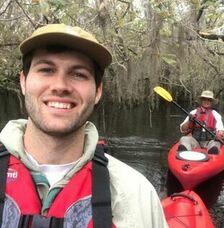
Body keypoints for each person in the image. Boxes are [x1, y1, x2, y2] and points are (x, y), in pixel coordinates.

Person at [0, 24, 168, 228]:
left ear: (97, 91)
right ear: (23, 81)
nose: (60, 86)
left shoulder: (137, 194)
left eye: (78, 74)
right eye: (46, 70)